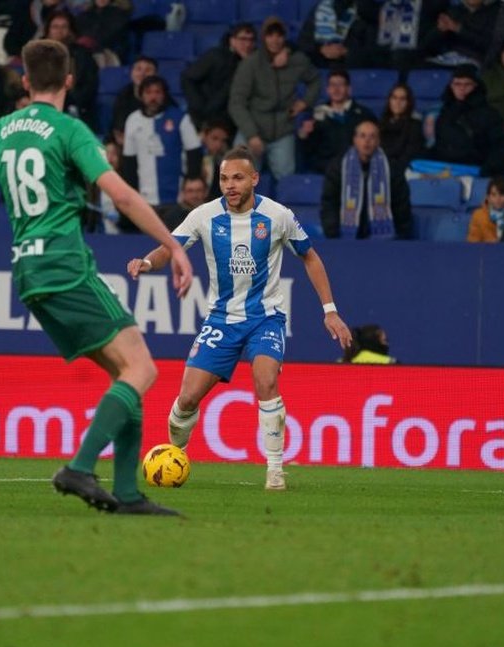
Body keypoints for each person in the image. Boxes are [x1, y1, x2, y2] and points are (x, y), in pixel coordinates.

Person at [0, 39, 193, 516]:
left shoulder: (1, 131)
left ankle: (129, 495)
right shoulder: (70, 131)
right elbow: (122, 196)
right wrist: (174, 245)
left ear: (26, 82)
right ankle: (79, 466)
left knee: (126, 372)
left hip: (27, 273)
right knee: (143, 370)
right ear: (70, 81)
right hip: (66, 265)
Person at [127, 146, 353, 491]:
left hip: (266, 318)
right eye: (223, 178)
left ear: (254, 179)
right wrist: (145, 263)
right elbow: (170, 248)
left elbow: (310, 258)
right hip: (221, 321)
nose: (229, 185)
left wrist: (330, 311)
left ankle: (275, 470)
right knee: (187, 399)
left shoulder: (277, 216)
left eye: (237, 178)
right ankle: (176, 454)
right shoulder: (203, 216)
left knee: (265, 382)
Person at [228, 16, 321, 181]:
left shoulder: (296, 61)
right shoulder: (251, 64)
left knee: (287, 181)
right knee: (238, 175)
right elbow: (236, 103)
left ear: (284, 38)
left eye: (279, 35)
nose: (275, 40)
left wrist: (305, 102)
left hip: (283, 130)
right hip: (253, 126)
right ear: (263, 37)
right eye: (270, 35)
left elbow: (315, 80)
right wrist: (252, 135)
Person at [121, 75, 202, 209]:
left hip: (177, 198)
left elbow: (194, 151)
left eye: (157, 92)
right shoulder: (132, 120)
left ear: (164, 95)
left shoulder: (180, 118)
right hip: (144, 199)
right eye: (148, 92)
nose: (153, 97)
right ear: (141, 95)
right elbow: (129, 161)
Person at [321, 119, 412, 239]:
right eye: (362, 136)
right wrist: (333, 234)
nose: (367, 141)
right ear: (355, 140)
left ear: (378, 141)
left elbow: (401, 205)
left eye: (372, 136)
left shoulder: (391, 168)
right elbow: (330, 203)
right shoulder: (338, 167)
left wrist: (401, 236)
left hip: (385, 240)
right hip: (346, 238)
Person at [423, 65, 504, 177]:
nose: (461, 88)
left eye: (467, 84)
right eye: (457, 84)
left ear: (475, 86)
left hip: (475, 172)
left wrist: (487, 170)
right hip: (444, 170)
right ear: (451, 86)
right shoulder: (443, 113)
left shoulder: (489, 114)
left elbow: (501, 147)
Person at [181, 22, 256, 132]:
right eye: (243, 39)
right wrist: (199, 106)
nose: (247, 44)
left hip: (231, 123)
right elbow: (187, 78)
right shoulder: (215, 56)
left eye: (251, 40)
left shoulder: (254, 62)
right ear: (232, 40)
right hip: (202, 119)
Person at [298, 70, 377, 174]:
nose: (336, 89)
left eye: (340, 84)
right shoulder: (317, 114)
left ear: (349, 89)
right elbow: (309, 150)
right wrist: (304, 135)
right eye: (332, 85)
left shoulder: (364, 115)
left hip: (357, 169)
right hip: (326, 170)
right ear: (327, 90)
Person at [42, 10, 100, 132]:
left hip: (75, 108)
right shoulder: (38, 54)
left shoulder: (82, 55)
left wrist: (71, 100)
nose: (59, 31)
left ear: (71, 30)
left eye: (64, 27)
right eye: (55, 27)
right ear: (48, 31)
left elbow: (89, 84)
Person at [110, 55, 158, 146]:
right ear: (132, 73)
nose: (142, 74)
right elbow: (116, 127)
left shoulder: (162, 98)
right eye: (138, 69)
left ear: (155, 74)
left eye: (147, 70)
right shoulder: (123, 96)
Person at [378, 83, 424, 171]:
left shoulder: (415, 126)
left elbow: (408, 156)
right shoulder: (381, 123)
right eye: (394, 98)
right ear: (389, 100)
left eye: (402, 99)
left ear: (408, 102)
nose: (397, 102)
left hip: (401, 172)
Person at [466, 176, 504, 242]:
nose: (498, 199)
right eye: (493, 195)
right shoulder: (478, 215)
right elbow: (472, 242)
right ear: (488, 197)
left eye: (502, 194)